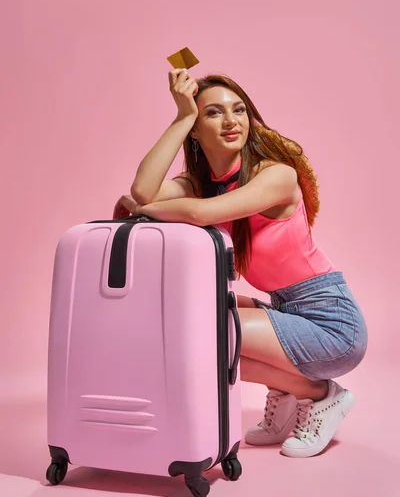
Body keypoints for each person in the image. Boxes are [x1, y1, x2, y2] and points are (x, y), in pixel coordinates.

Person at [114, 68, 368, 458]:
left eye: (239, 110)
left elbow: (197, 214)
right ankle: (286, 394)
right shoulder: (202, 182)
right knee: (198, 320)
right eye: (213, 113)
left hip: (332, 322)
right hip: (287, 310)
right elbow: (141, 190)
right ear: (195, 130)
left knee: (205, 331)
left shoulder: (276, 176)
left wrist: (146, 209)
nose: (232, 121)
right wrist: (181, 116)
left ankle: (319, 395)